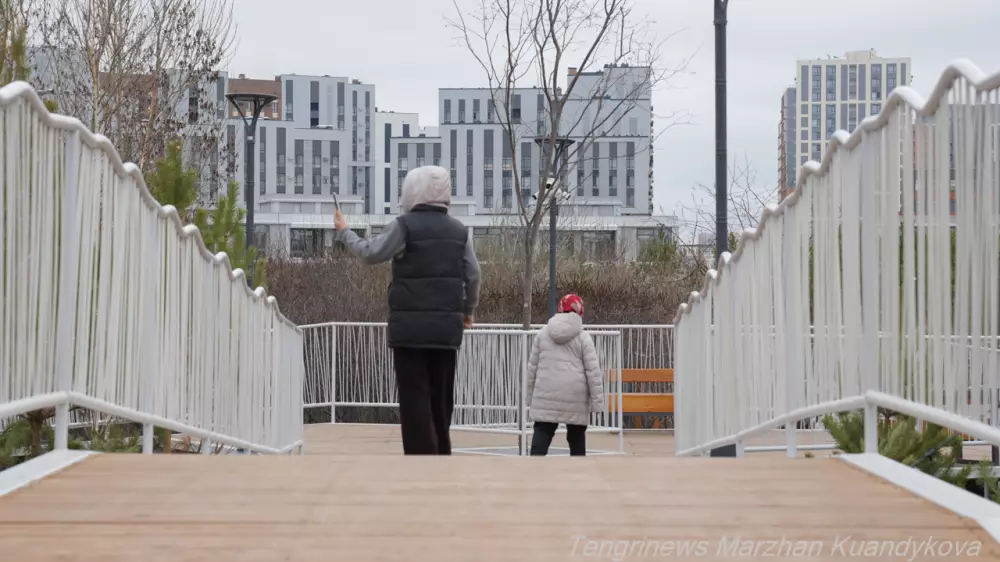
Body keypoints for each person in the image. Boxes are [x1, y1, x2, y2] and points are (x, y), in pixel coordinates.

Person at [333, 165, 481, 455]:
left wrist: (345, 231)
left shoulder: (404, 226)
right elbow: (473, 275)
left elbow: (369, 253)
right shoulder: (460, 232)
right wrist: (467, 311)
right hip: (446, 331)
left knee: (414, 398)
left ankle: (420, 461)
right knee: (441, 399)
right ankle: (441, 455)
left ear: (411, 191)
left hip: (409, 332)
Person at [525, 294, 604, 456]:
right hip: (575, 394)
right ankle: (578, 472)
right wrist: (597, 402)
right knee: (576, 436)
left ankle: (532, 470)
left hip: (546, 392)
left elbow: (532, 367)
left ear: (560, 309)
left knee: (542, 432)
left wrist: (529, 397)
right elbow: (593, 371)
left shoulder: (543, 334)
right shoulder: (583, 337)